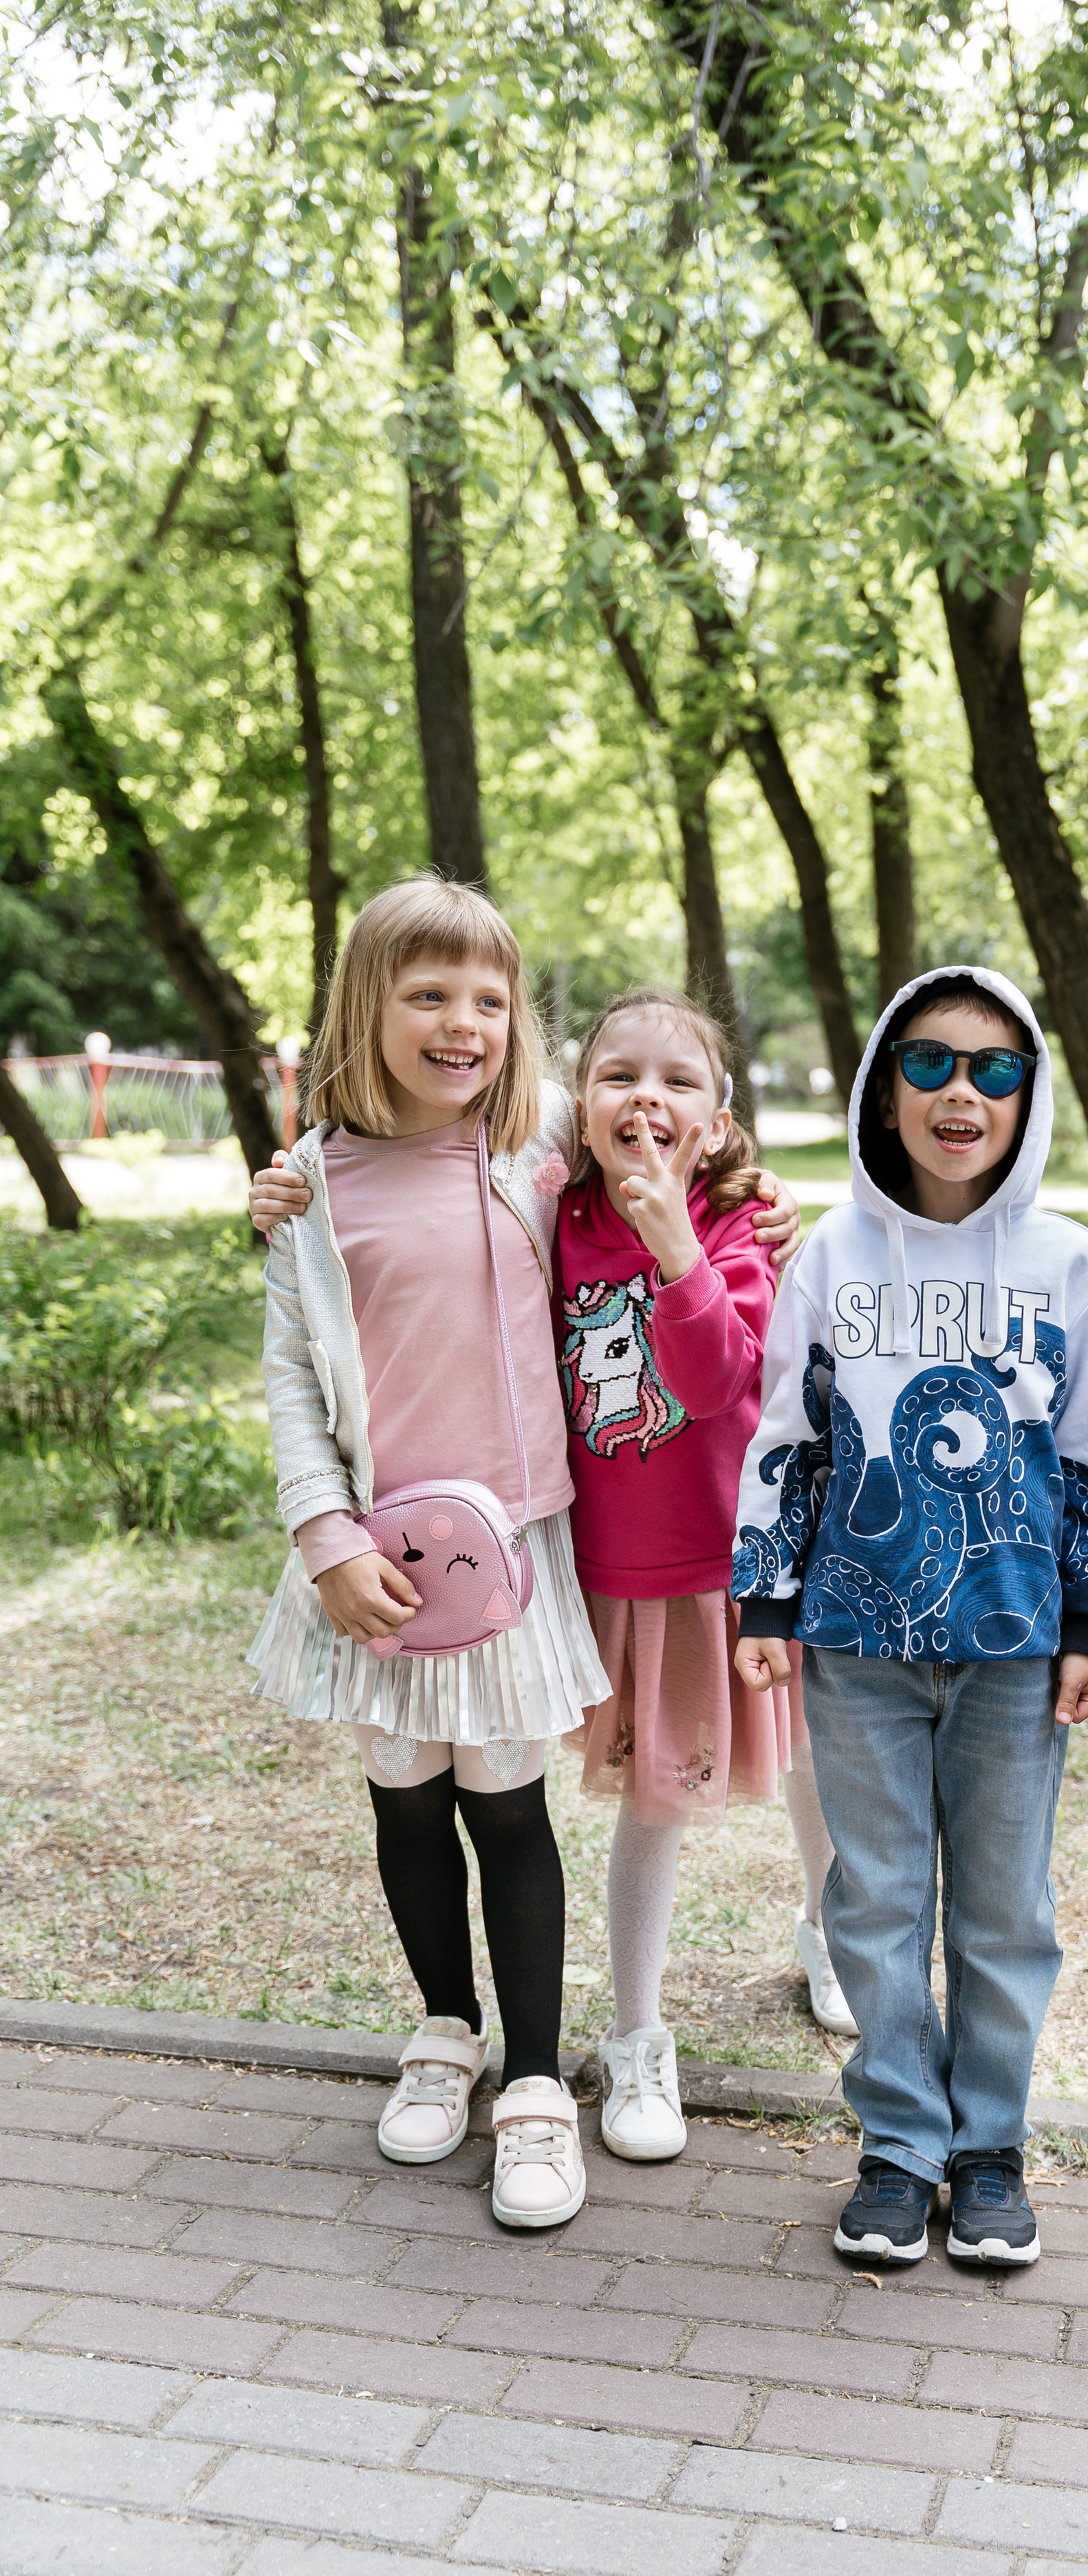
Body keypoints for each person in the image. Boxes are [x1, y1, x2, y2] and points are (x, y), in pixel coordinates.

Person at [732, 967, 1088, 2269]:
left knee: (1006, 1910)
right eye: (930, 1064)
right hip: (856, 1643)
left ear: (1029, 1098)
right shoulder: (834, 1255)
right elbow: (788, 1430)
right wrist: (766, 1593)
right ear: (883, 1090)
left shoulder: (1066, 1260)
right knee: (879, 1903)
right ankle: (901, 2147)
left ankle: (991, 2148)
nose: (961, 1091)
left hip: (1017, 1648)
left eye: (995, 1070)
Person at [248, 877, 609, 2230]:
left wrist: (736, 1178)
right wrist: (323, 1534)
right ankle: (444, 2032)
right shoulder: (315, 1189)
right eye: (428, 996)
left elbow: (663, 1128)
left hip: (506, 1559)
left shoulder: (537, 1150)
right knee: (405, 1800)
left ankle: (530, 2090)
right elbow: (291, 1375)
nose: (463, 1023)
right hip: (373, 1565)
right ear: (369, 1007)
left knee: (505, 1808)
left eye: (489, 1000)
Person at [554, 987, 857, 2168]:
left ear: (720, 1122)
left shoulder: (741, 1233)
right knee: (656, 1798)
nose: (647, 1098)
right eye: (619, 1076)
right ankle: (636, 2036)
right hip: (631, 1576)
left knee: (809, 1758)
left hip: (750, 1560)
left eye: (679, 1081)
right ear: (581, 1109)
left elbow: (728, 1376)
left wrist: (677, 1238)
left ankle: (828, 1930)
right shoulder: (555, 1212)